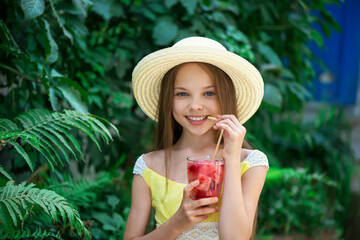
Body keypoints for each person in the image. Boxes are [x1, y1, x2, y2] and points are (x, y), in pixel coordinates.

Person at [124, 36, 269, 240]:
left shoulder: (250, 163)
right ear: (168, 100)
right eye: (182, 94)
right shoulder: (148, 167)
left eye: (209, 93)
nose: (195, 105)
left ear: (226, 96)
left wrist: (231, 156)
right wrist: (177, 223)